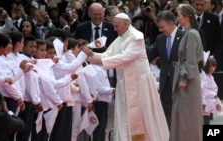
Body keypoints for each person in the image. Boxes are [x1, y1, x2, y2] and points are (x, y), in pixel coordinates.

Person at [85, 13, 169, 141]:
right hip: (125, 83)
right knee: (125, 115)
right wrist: (92, 54)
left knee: (143, 115)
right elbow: (108, 54)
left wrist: (99, 59)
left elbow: (124, 57)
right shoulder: (121, 38)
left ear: (126, 24)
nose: (114, 29)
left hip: (139, 83)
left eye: (116, 26)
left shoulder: (136, 38)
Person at [171, 4, 204, 141]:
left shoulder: (191, 34)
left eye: (178, 15)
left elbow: (192, 60)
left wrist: (184, 79)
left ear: (187, 16)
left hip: (188, 79)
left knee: (188, 116)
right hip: (186, 77)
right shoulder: (189, 32)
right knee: (183, 114)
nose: (177, 18)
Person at [148, 10, 184, 130]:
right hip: (165, 83)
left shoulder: (184, 36)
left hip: (181, 83)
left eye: (162, 27)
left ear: (170, 23)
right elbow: (149, 56)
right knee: (166, 115)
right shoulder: (160, 39)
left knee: (181, 114)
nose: (160, 30)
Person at [200, 56, 223, 125]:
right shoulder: (203, 76)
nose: (213, 68)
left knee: (207, 122)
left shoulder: (211, 77)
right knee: (204, 122)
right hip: (204, 105)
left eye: (214, 66)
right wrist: (203, 102)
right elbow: (202, 91)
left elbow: (214, 91)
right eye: (211, 66)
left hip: (210, 105)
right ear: (207, 66)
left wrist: (217, 103)